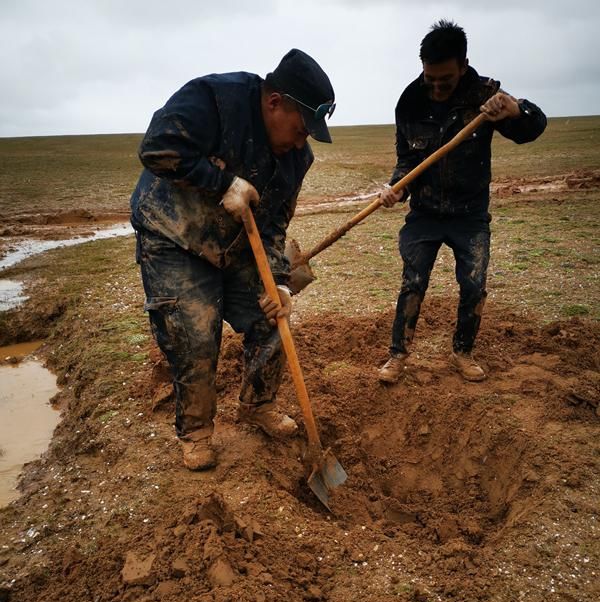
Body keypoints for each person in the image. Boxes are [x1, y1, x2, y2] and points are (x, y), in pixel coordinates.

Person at [131, 49, 335, 470]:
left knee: (273, 315)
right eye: (300, 129)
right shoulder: (214, 98)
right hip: (175, 235)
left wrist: (278, 281)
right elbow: (155, 149)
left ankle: (257, 405)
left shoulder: (298, 157)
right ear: (275, 102)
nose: (302, 141)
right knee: (195, 331)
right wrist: (222, 182)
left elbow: (276, 221)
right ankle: (197, 432)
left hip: (236, 243)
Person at [378, 20, 546, 383]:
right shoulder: (409, 102)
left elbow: (531, 129)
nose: (437, 87)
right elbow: (408, 160)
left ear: (464, 65)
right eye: (431, 79)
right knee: (413, 281)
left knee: (473, 284)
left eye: (446, 80)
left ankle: (463, 352)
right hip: (424, 213)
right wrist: (397, 188)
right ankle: (397, 356)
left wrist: (517, 110)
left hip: (469, 215)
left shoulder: (485, 98)